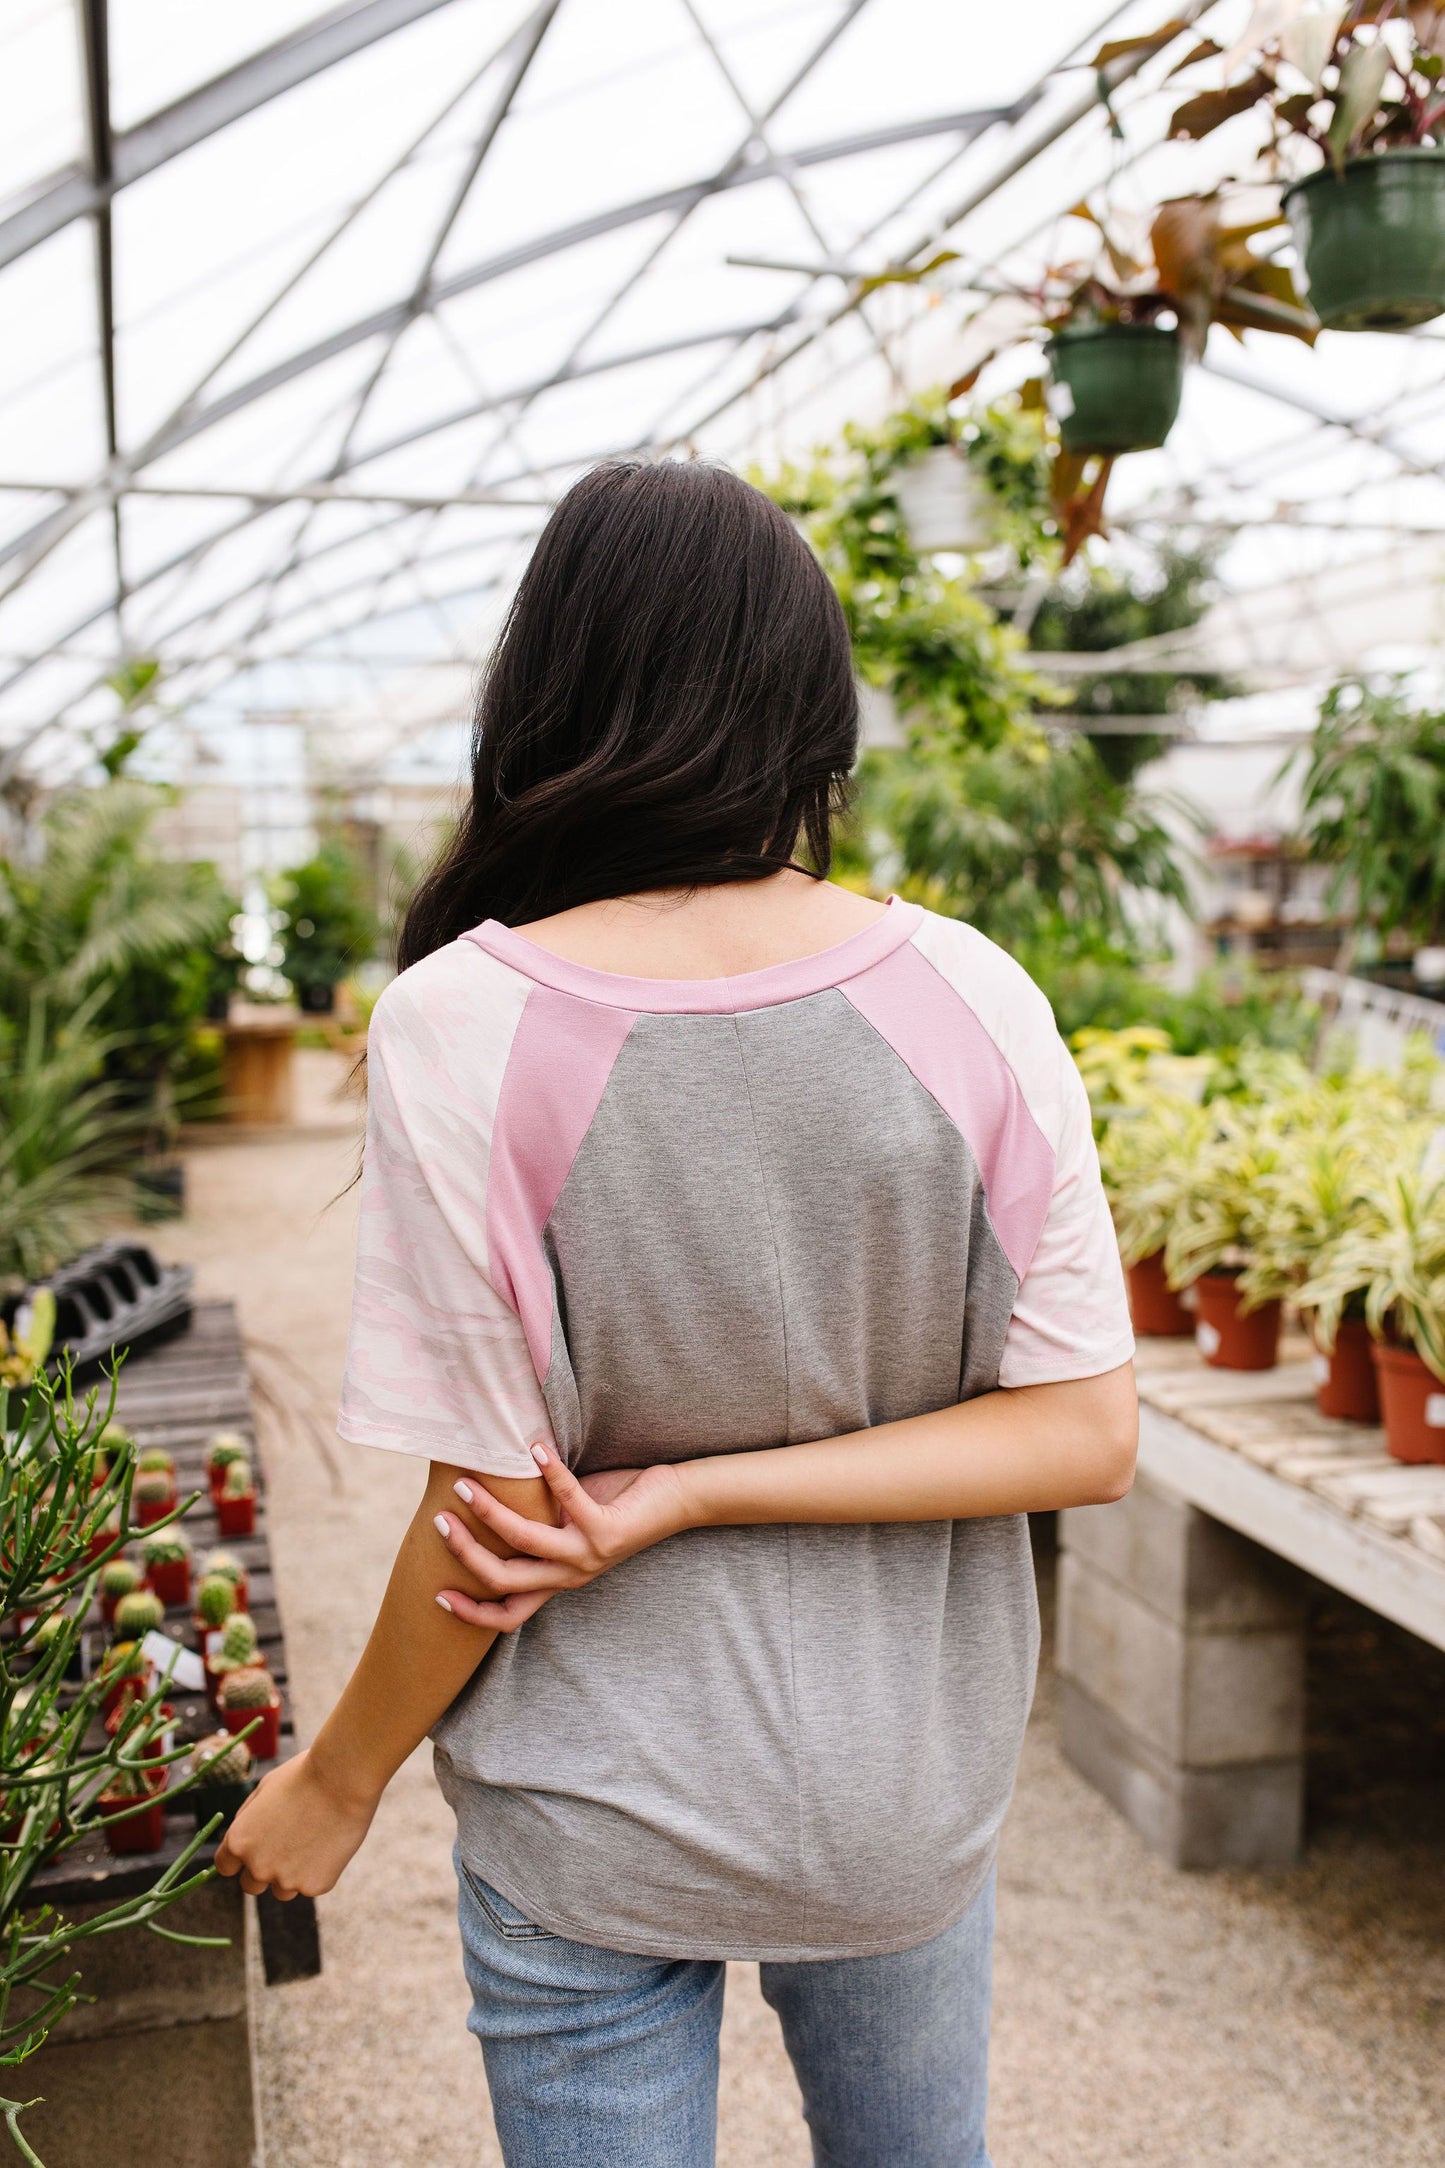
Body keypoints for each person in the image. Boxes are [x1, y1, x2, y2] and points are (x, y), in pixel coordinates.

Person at [217, 459, 1137, 2168]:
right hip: (896, 1802)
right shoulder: (972, 996)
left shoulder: (460, 1017)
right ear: (810, 704)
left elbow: (489, 1511)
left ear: (546, 689)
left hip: (592, 1807)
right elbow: (1084, 1433)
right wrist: (710, 1489)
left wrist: (337, 1782)